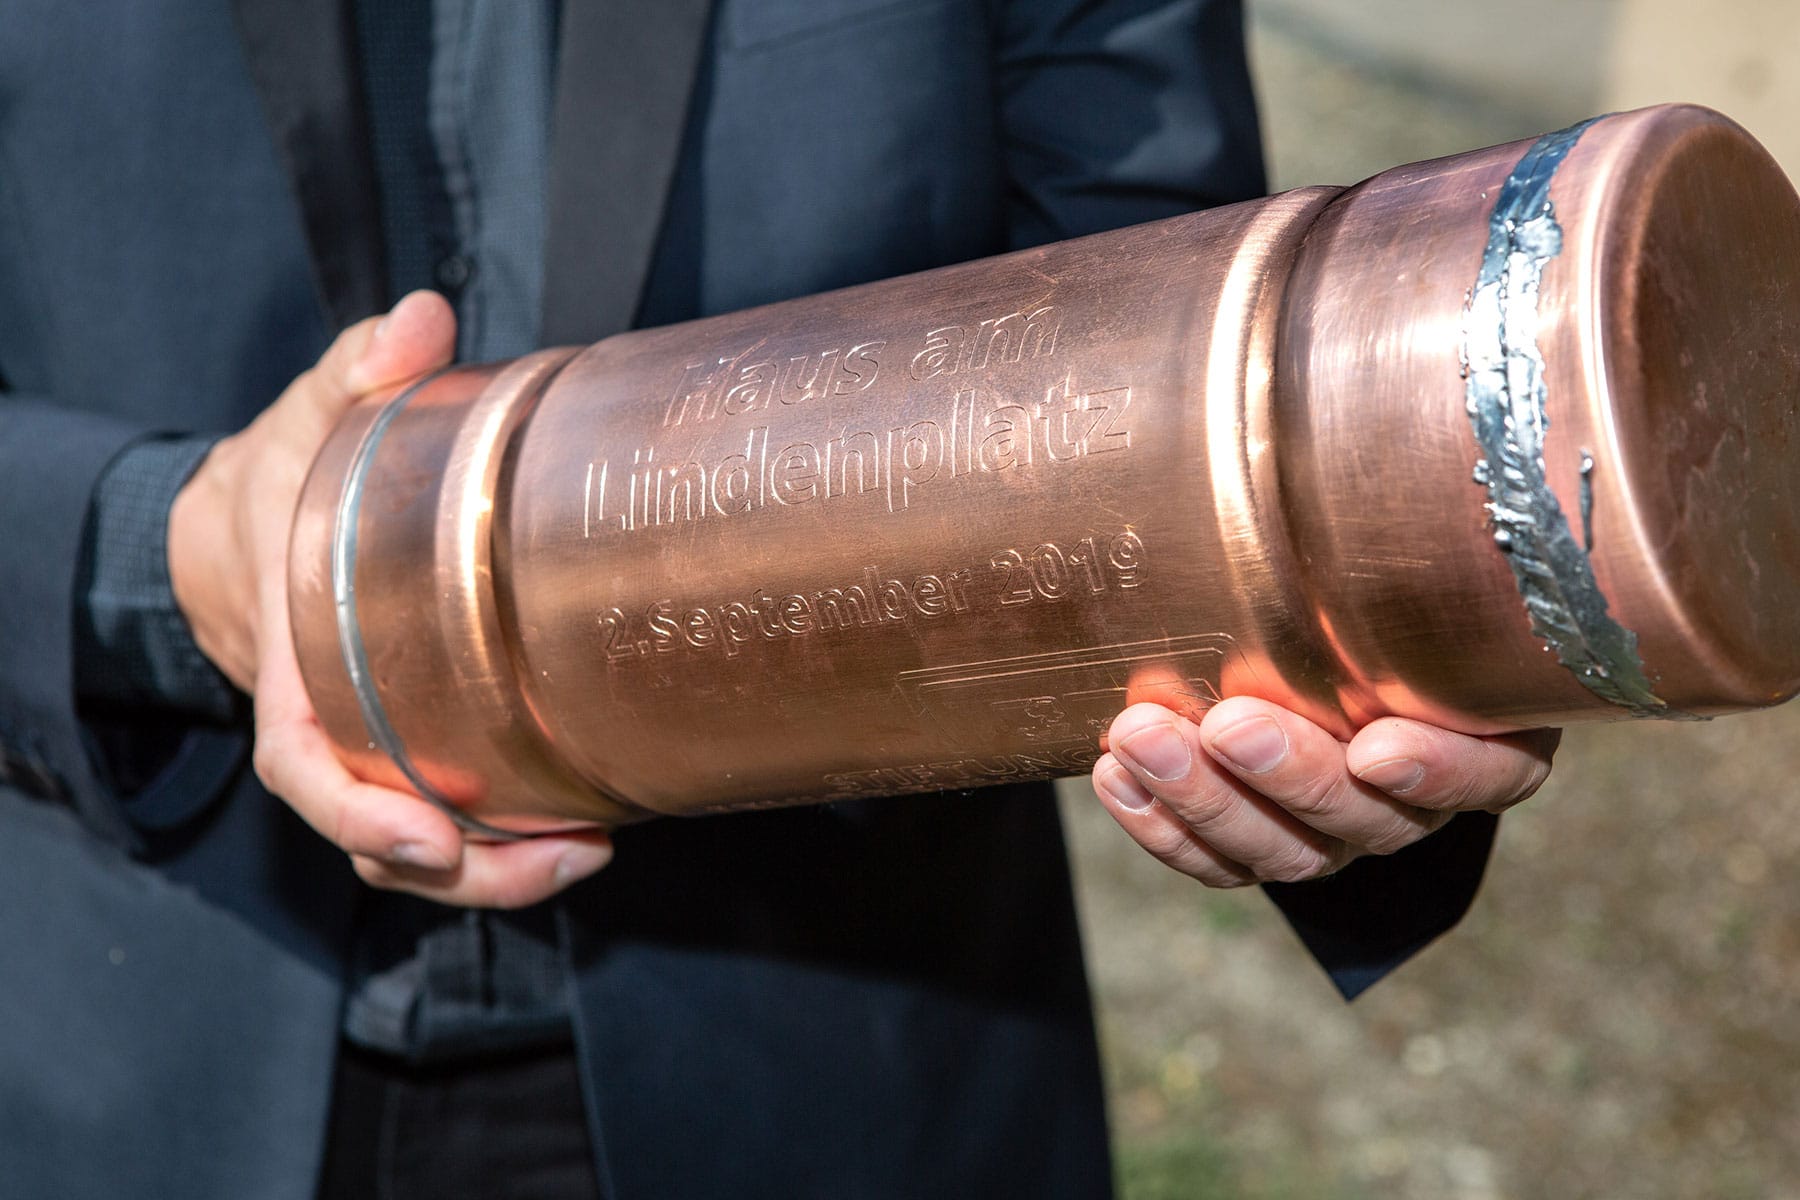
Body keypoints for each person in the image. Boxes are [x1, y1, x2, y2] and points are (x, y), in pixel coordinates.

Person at [0, 2, 1558, 1196]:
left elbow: (1207, 373)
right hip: (121, 1067)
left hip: (836, 1073)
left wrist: (1376, 631)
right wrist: (163, 548)